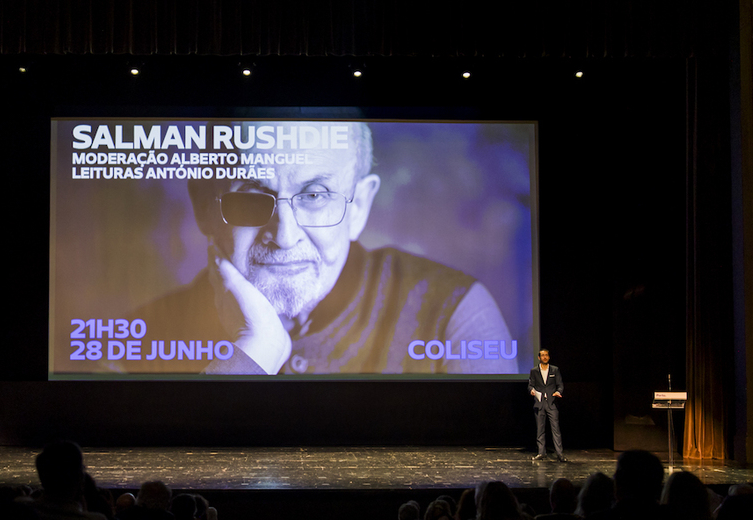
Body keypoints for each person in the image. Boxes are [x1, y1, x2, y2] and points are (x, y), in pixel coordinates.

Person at [119, 120, 518, 376]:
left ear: (359, 206)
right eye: (253, 197)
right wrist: (255, 352)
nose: (285, 235)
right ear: (204, 209)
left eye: (314, 195)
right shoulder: (134, 340)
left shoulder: (454, 313)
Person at [528, 348, 567, 461]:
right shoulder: (534, 371)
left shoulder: (555, 370)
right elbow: (530, 385)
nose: (544, 357)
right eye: (542, 355)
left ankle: (560, 454)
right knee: (540, 430)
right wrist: (532, 391)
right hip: (539, 403)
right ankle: (541, 453)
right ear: (539, 357)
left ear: (549, 357)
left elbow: (560, 385)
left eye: (546, 355)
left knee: (556, 429)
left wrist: (558, 392)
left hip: (552, 403)